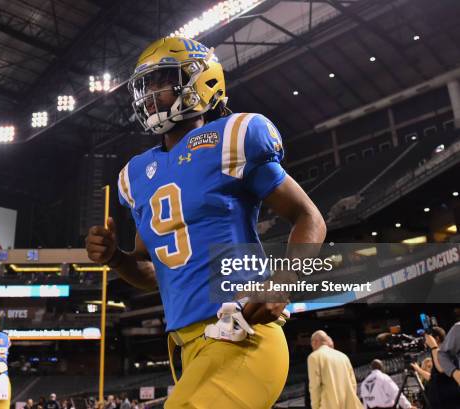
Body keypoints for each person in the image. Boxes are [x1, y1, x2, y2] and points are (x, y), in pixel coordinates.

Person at [86, 36, 326, 409]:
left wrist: (284, 281)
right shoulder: (136, 176)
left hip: (243, 334)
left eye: (160, 80)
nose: (150, 93)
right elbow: (152, 272)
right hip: (187, 349)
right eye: (144, 84)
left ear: (202, 81)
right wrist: (116, 258)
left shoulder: (232, 136)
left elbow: (309, 217)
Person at [307, 330, 362, 409]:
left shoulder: (314, 357)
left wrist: (315, 407)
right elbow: (353, 383)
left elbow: (314, 386)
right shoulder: (343, 356)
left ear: (315, 342)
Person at [431, 321, 460, 407]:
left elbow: (440, 368)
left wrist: (433, 347)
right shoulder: (458, 328)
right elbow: (443, 354)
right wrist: (455, 373)